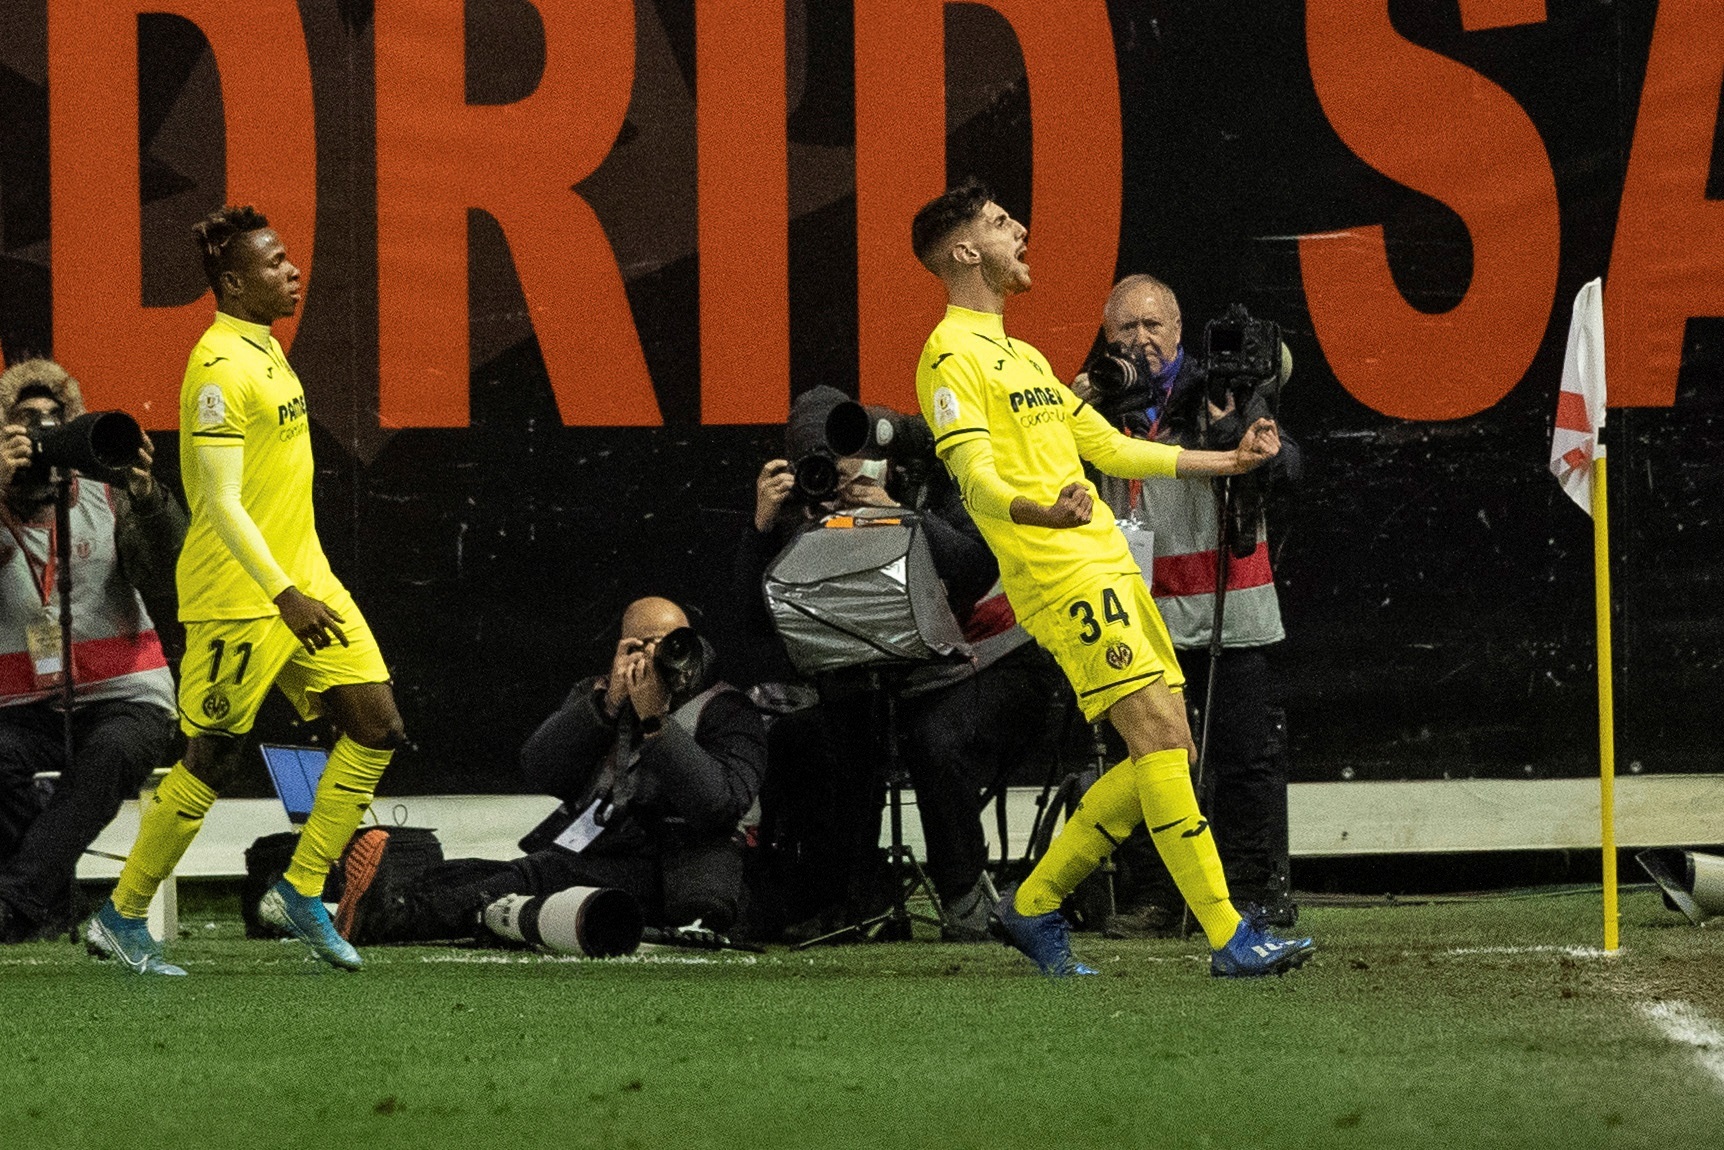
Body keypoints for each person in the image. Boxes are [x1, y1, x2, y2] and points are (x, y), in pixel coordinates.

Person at [909, 180, 1314, 977]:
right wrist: (1039, 515)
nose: (1018, 229)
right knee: (1163, 742)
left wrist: (1227, 461)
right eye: (997, 223)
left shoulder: (1021, 356)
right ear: (963, 251)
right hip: (1063, 579)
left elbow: (1112, 447)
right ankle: (1229, 936)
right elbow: (975, 478)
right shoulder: (948, 354)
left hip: (1110, 570)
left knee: (1163, 751)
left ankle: (1031, 906)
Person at [86, 205, 406, 976]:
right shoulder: (219, 371)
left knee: (377, 723)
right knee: (213, 757)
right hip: (241, 594)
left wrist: (300, 584)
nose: (293, 270)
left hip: (304, 576)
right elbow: (222, 506)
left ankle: (300, 890)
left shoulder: (262, 346)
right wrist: (282, 596)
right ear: (233, 284)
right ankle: (121, 915)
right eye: (275, 263)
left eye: (288, 258)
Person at [736, 387, 1063, 941]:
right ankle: (842, 897)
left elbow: (974, 569)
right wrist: (764, 527)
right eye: (817, 465)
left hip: (986, 662)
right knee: (812, 738)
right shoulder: (801, 505)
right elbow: (753, 619)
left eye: (840, 461)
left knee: (933, 737)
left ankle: (962, 900)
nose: (833, 478)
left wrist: (897, 515)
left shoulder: (927, 475)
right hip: (878, 677)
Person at [334, 597, 767, 945]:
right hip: (602, 844)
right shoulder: (599, 694)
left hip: (682, 865)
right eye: (642, 645)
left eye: (673, 643)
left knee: (534, 876)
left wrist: (656, 723)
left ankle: (393, 917)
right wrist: (605, 708)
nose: (658, 657)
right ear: (620, 649)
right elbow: (542, 770)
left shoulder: (726, 709)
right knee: (504, 869)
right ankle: (381, 896)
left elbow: (720, 805)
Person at [1078, 275, 1301, 929]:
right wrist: (1081, 398)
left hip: (1233, 607)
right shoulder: (1095, 396)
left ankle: (1253, 890)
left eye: (1153, 326)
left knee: (1244, 757)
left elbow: (1289, 469)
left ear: (1178, 330)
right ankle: (1154, 896)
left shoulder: (1224, 384)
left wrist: (1234, 431)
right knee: (1148, 762)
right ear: (1107, 332)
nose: (1140, 340)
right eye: (1126, 328)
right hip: (1142, 613)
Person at [0, 359, 183, 942]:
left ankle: (15, 903)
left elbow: (171, 571)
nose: (42, 434)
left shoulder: (108, 493)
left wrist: (148, 494)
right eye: (26, 423)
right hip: (21, 703)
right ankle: (46, 906)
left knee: (105, 760)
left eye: (56, 422)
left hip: (127, 691)